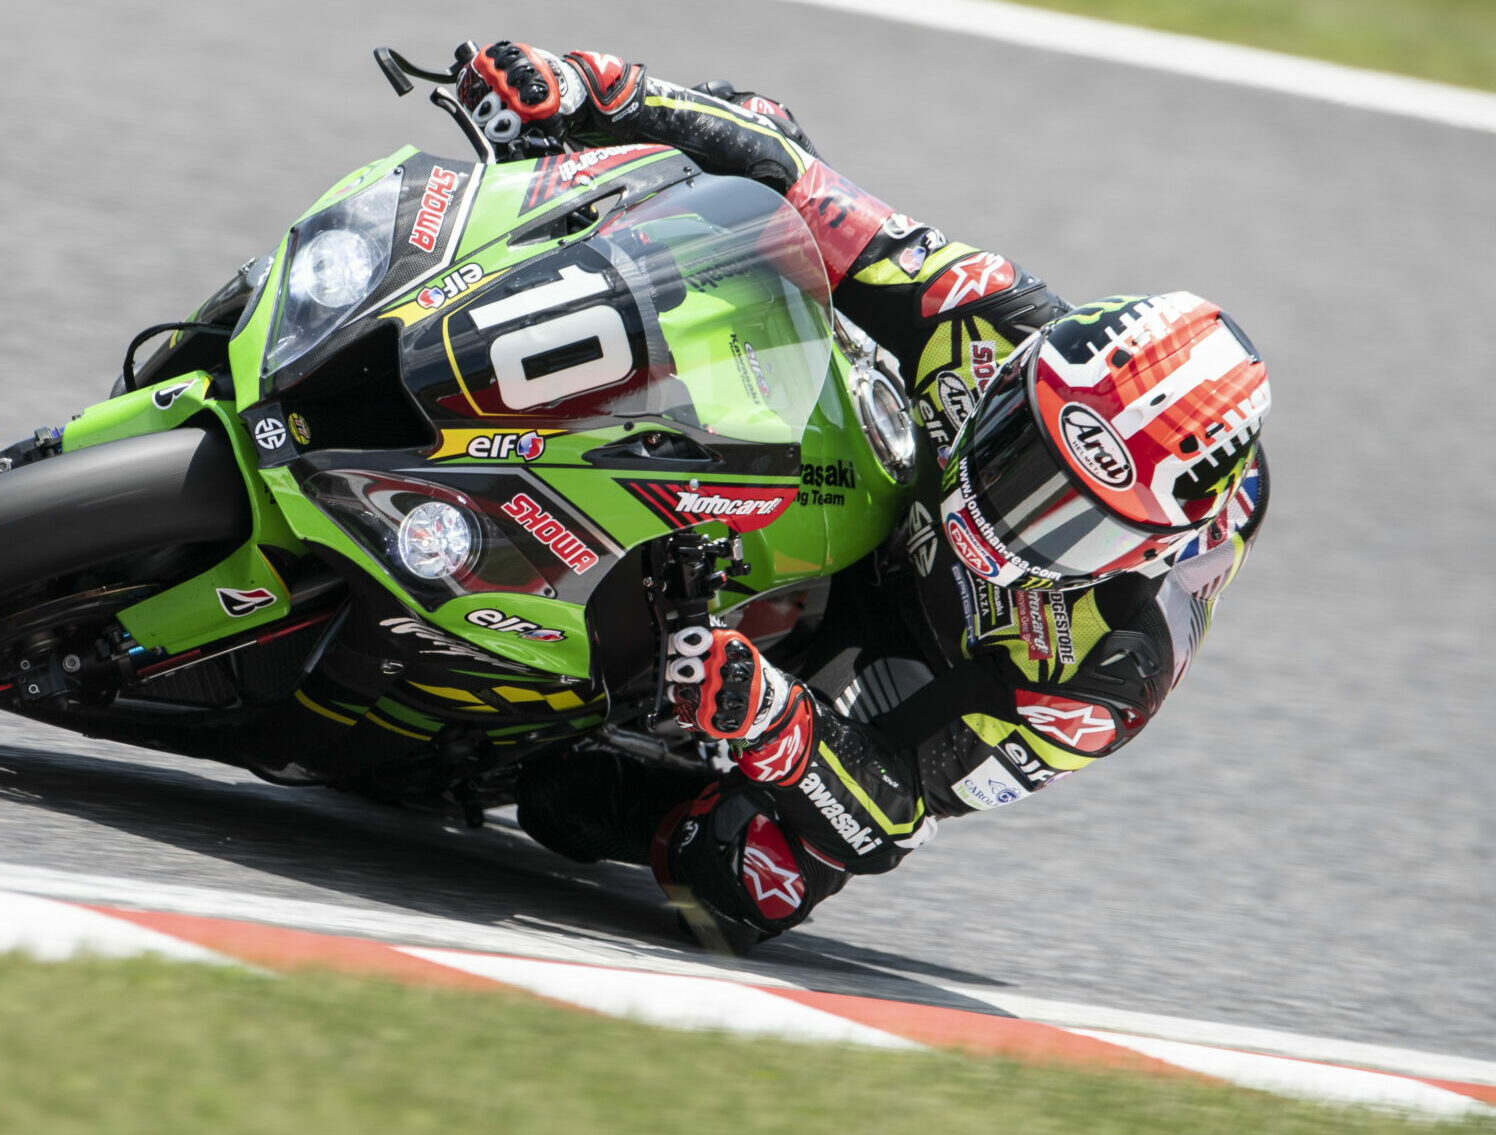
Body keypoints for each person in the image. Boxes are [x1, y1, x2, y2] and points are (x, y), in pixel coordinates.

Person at [458, 41, 1273, 954]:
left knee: (744, 874)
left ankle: (582, 742)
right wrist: (601, 90)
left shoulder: (1108, 673)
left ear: (1140, 552)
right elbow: (811, 190)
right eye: (1015, 451)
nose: (1002, 510)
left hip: (914, 653)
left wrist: (775, 723)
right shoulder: (994, 320)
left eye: (1068, 522)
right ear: (1021, 378)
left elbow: (901, 806)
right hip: (873, 464)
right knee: (746, 134)